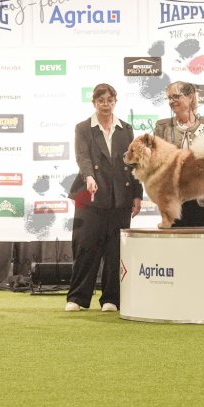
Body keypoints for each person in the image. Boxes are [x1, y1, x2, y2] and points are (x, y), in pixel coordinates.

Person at [65, 83, 143, 312]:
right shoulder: (83, 128)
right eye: (101, 100)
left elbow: (135, 163)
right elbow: (82, 157)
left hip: (120, 197)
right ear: (94, 103)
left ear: (115, 102)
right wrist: (89, 176)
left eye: (110, 100)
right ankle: (77, 298)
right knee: (86, 248)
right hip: (90, 196)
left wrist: (137, 195)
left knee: (115, 250)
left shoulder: (125, 129)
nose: (106, 105)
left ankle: (111, 298)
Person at [153, 81, 204, 227]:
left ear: (190, 97)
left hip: (203, 198)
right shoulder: (162, 127)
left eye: (176, 96)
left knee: (201, 237)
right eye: (169, 98)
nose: (171, 101)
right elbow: (154, 161)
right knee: (173, 239)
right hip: (172, 198)